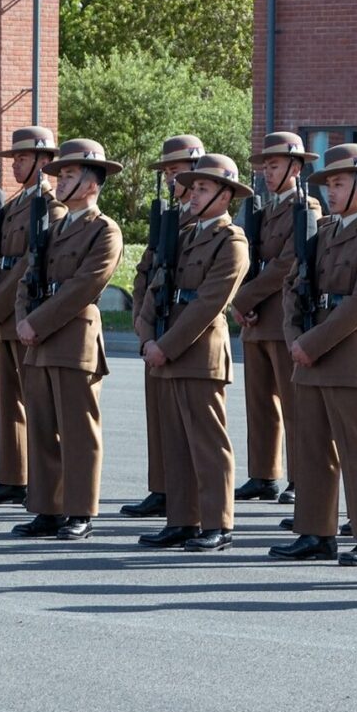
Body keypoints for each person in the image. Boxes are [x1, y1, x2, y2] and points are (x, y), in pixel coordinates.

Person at [271, 143, 357, 566]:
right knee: (311, 448)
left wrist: (310, 343)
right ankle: (315, 532)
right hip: (308, 350)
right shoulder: (321, 232)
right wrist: (294, 336)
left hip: (347, 354)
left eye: (339, 183)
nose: (331, 191)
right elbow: (292, 287)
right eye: (328, 184)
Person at [9, 139, 125, 541]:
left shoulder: (104, 231)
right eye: (60, 175)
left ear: (91, 184)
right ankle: (48, 508)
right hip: (39, 341)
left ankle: (79, 510)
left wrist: (36, 323)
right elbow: (27, 279)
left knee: (78, 431)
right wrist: (22, 320)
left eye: (70, 175)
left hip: (74, 338)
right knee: (42, 428)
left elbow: (84, 286)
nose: (59, 182)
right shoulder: (53, 227)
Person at [136, 152, 250, 549]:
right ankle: (182, 520)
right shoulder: (183, 235)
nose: (193, 194)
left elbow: (208, 304)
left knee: (207, 443)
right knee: (176, 442)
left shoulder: (231, 241)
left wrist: (165, 346)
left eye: (202, 187)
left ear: (225, 195)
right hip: (166, 348)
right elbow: (155, 288)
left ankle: (217, 523)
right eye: (193, 187)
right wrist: (146, 337)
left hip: (200, 354)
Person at [0, 126, 65, 508]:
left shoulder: (52, 207)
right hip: (0, 315)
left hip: (22, 312)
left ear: (45, 161)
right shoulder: (10, 208)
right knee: (8, 401)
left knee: (34, 402)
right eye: (15, 158)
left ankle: (40, 482)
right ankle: (12, 476)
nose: (16, 164)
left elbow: (29, 263)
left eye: (23, 158)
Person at [230, 132, 322, 506]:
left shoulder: (307, 208)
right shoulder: (264, 210)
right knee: (260, 403)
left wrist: (244, 297)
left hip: (283, 316)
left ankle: (302, 475)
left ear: (295, 168)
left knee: (294, 402)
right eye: (265, 167)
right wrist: (243, 301)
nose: (267, 173)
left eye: (274, 165)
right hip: (256, 319)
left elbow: (289, 262)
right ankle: (264, 473)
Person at [120, 134, 205, 518]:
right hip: (155, 328)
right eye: (168, 172)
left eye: (177, 171)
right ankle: (162, 486)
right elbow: (145, 273)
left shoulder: (202, 221)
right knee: (158, 416)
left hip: (180, 332)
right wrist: (142, 321)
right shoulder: (170, 218)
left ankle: (187, 498)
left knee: (187, 425)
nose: (171, 179)